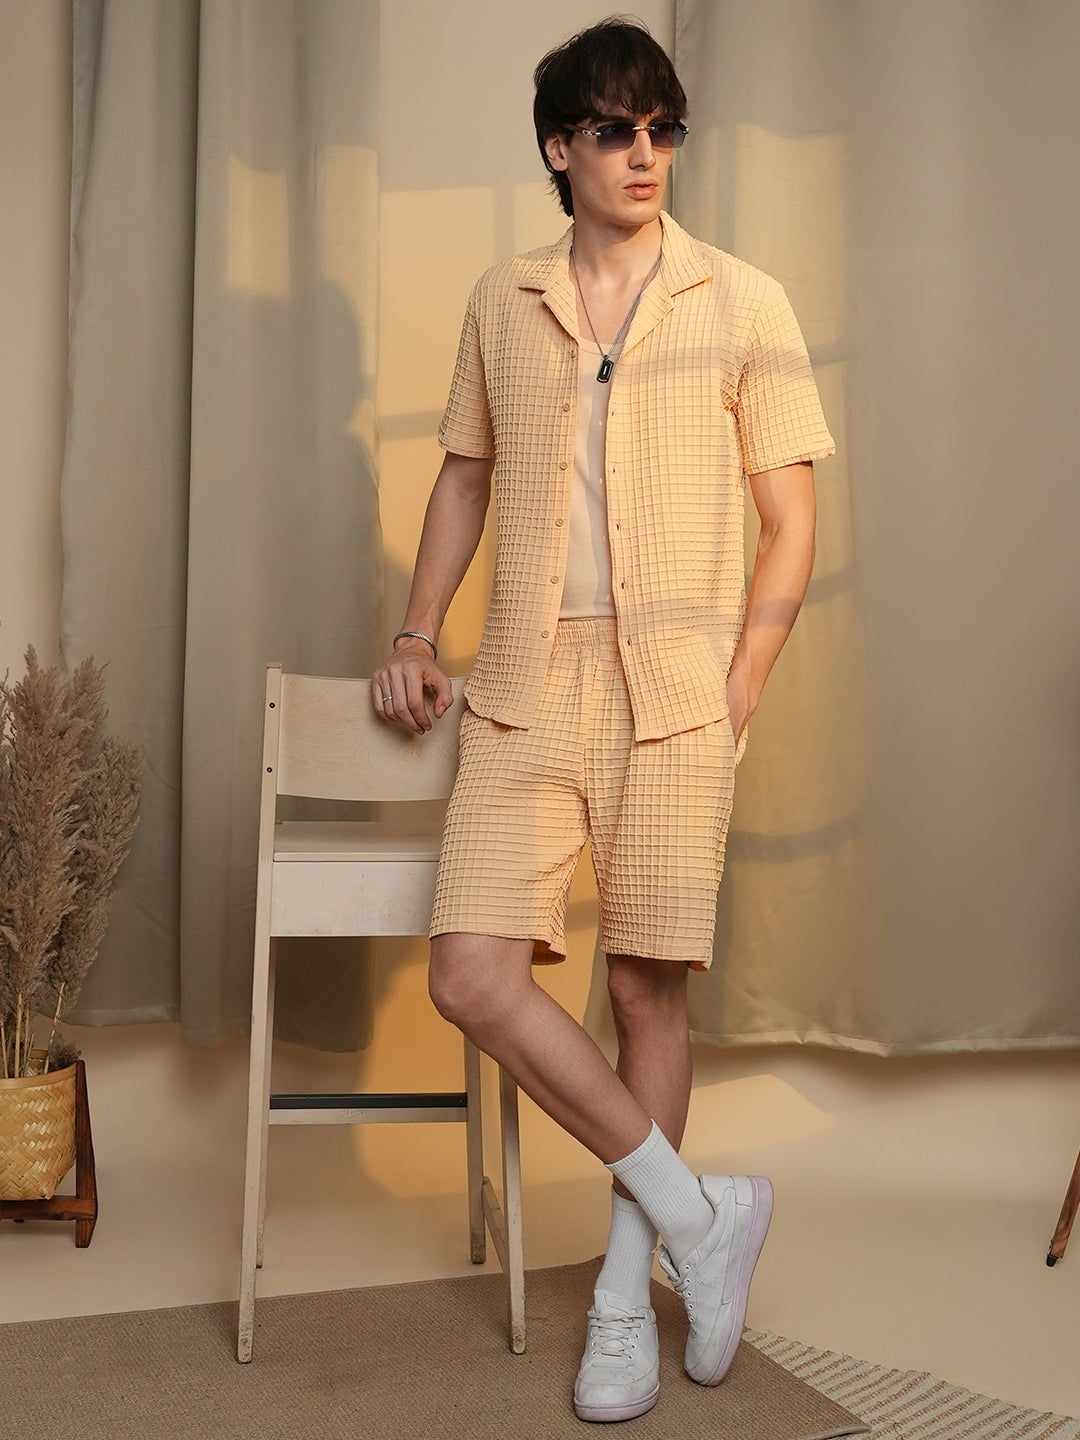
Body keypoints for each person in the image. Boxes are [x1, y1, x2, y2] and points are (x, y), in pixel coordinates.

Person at [372, 16, 834, 1425]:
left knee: (645, 992)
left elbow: (792, 522)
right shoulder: (501, 298)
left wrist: (739, 689)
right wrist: (415, 632)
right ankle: (704, 1215)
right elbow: (463, 478)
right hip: (525, 677)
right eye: (617, 130)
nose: (646, 154)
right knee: (472, 973)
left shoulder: (743, 300)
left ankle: (626, 1297)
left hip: (677, 690)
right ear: (559, 147)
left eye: (663, 129)